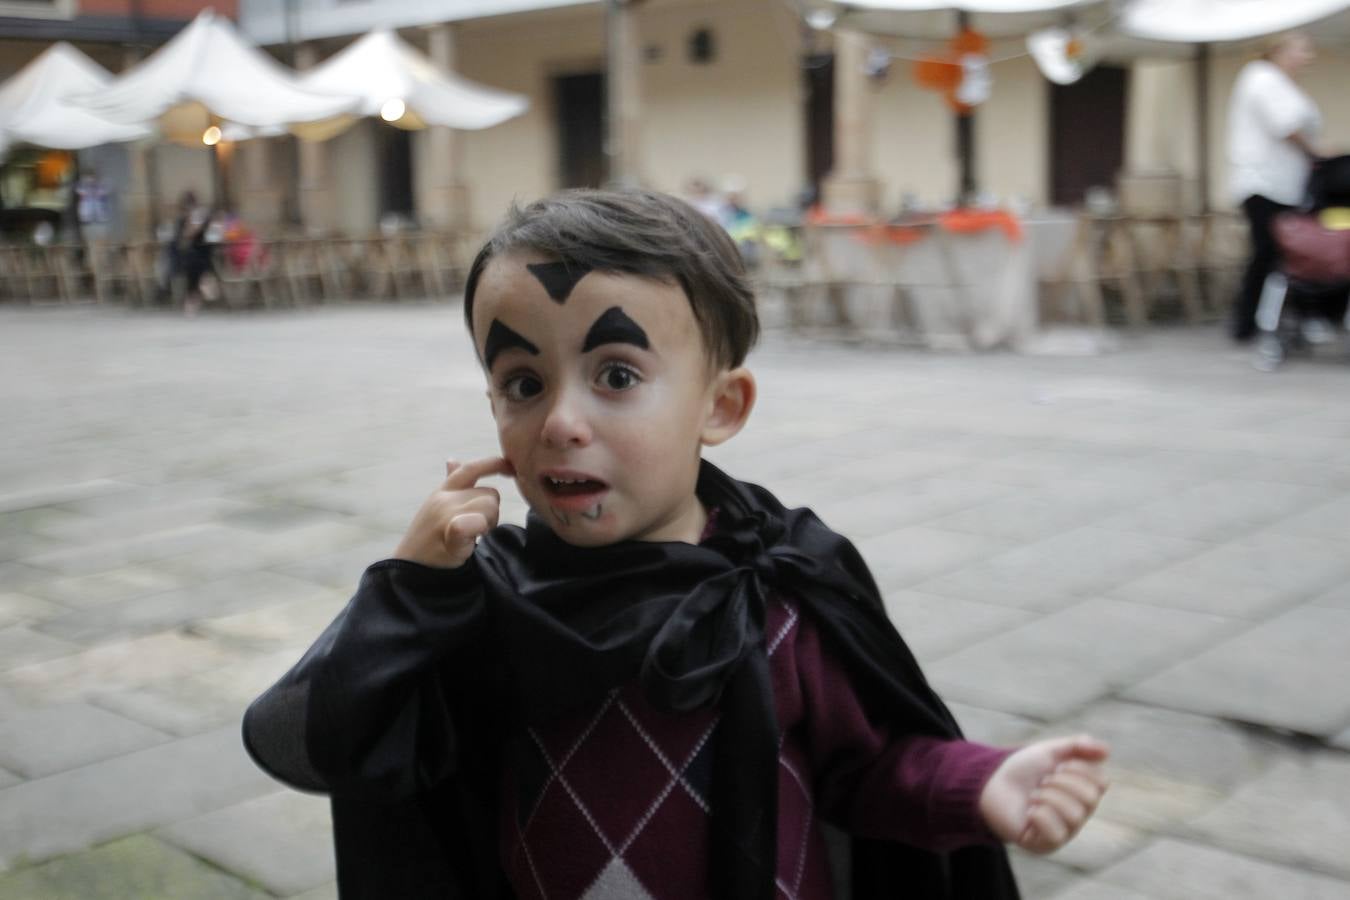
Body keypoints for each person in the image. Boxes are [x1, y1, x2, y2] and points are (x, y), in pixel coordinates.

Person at [243, 189, 1109, 900]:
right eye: (521, 382)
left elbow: (867, 767)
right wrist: (407, 591)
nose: (561, 422)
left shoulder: (782, 595)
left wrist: (976, 783)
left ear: (720, 407)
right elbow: (305, 740)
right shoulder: (482, 604)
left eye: (617, 375)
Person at [1226, 31, 1322, 341]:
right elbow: (1286, 126)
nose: (1307, 57)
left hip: (1286, 184)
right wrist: (1318, 154)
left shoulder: (1281, 83)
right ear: (1278, 50)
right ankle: (1248, 323)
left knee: (1280, 255)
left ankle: (1278, 320)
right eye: (1301, 50)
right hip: (1265, 184)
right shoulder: (1262, 78)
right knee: (1267, 253)